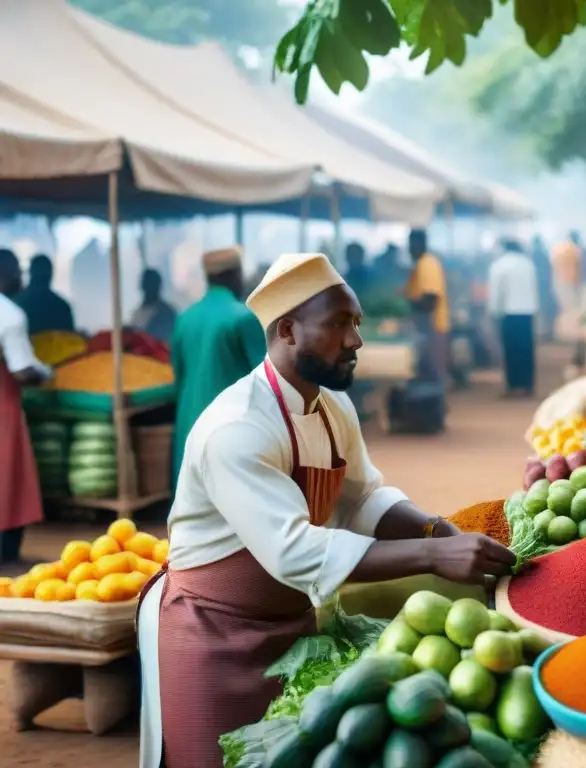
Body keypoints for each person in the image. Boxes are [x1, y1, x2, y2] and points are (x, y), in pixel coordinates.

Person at [136, 252, 515, 767]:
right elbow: (293, 551)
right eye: (339, 324)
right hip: (211, 636)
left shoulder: (332, 406)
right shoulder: (238, 429)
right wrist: (430, 556)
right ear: (288, 331)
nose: (357, 340)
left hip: (290, 628)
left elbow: (362, 497)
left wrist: (437, 529)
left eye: (356, 323)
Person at [169, 247, 267, 490]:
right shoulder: (243, 317)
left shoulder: (185, 319)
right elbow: (267, 379)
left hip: (189, 424)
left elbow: (178, 374)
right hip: (230, 426)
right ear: (235, 275)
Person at [0, 250, 49, 571]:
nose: (22, 278)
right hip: (3, 406)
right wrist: (45, 372)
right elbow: (21, 370)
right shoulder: (10, 314)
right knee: (8, 472)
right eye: (17, 271)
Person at [488, 239, 539, 397]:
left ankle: (513, 386)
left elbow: (496, 293)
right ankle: (527, 385)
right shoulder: (528, 264)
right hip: (527, 312)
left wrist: (493, 312)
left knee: (511, 351)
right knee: (526, 350)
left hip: (509, 313)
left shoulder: (499, 265)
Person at [405, 229, 450, 382]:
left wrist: (409, 309)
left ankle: (436, 403)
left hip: (433, 325)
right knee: (429, 370)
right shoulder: (422, 263)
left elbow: (430, 297)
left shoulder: (427, 264)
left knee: (433, 371)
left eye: (410, 244)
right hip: (429, 325)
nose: (409, 249)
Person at [14, 254, 75, 334]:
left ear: (31, 272)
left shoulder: (15, 304)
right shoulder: (62, 307)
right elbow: (70, 340)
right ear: (50, 274)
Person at [129, 269, 177, 343]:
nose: (149, 288)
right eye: (147, 284)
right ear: (142, 286)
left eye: (152, 284)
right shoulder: (136, 313)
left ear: (159, 286)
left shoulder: (166, 313)